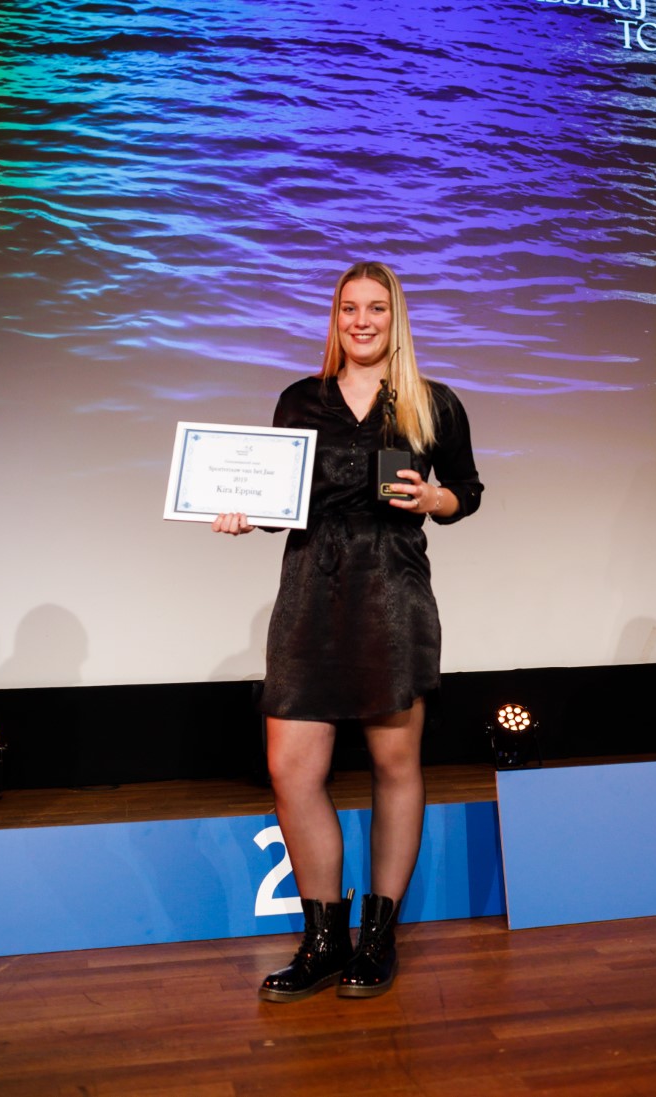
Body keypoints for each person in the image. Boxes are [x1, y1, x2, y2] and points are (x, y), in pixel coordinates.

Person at [213, 261, 483, 1002]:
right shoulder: (301, 400)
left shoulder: (433, 403)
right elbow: (279, 504)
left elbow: (468, 492)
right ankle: (324, 941)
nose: (362, 321)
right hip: (309, 594)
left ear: (397, 318)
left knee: (395, 766)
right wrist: (242, 513)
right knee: (291, 770)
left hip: (392, 595)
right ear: (335, 319)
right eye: (348, 309)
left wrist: (434, 498)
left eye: (376, 308)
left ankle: (378, 938)